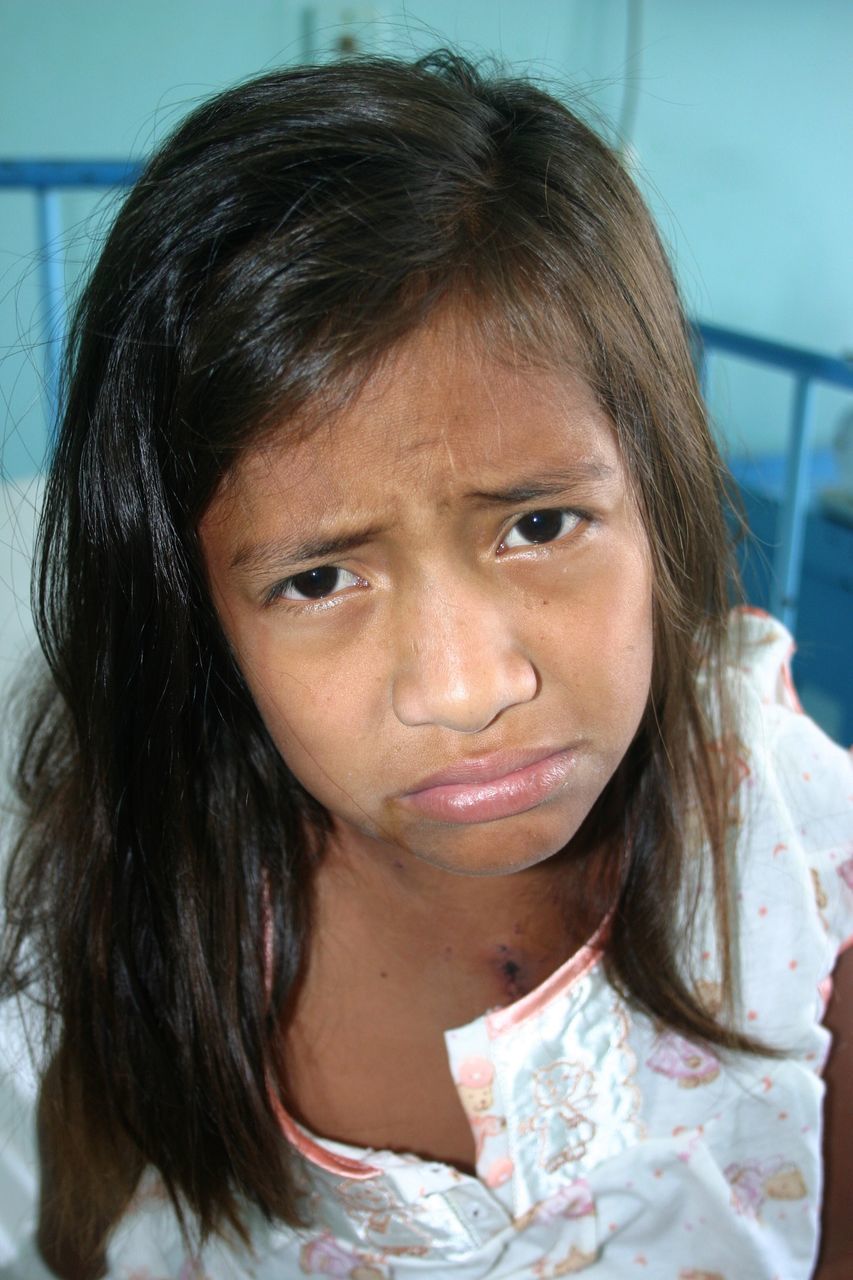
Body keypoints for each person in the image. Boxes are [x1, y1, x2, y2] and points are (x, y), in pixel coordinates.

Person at [0, 50, 850, 1280]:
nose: (465, 688)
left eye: (539, 525)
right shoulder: (143, 916)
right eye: (318, 578)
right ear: (199, 617)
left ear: (658, 498)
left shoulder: (762, 797)